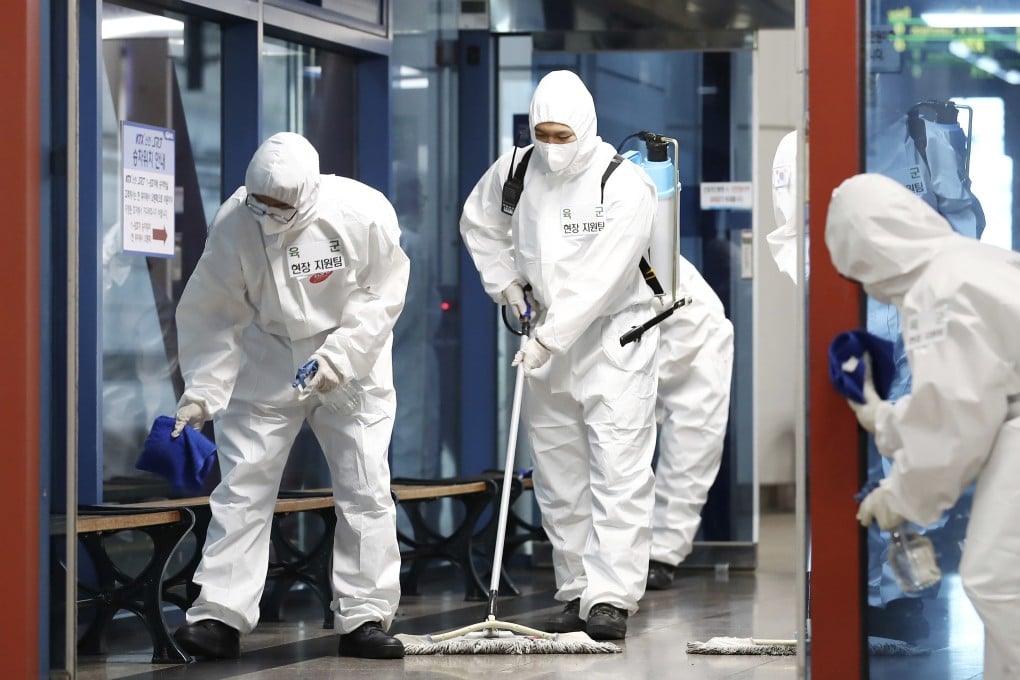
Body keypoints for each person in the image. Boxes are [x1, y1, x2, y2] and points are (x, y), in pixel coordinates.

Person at [169, 132, 410, 660]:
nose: (269, 214)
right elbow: (214, 308)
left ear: (308, 190)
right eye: (261, 203)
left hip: (351, 358)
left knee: (364, 486)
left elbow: (381, 296)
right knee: (242, 485)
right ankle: (219, 615)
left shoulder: (360, 212)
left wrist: (339, 360)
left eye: (281, 204)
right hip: (269, 355)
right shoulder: (236, 222)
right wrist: (203, 392)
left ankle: (365, 616)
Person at [459, 70, 659, 640]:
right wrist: (507, 287)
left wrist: (550, 337)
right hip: (543, 335)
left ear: (587, 127)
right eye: (541, 132)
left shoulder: (622, 183)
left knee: (618, 469)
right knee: (557, 471)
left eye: (561, 134)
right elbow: (479, 223)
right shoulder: (516, 169)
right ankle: (575, 590)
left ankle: (611, 598)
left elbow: (602, 276)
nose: (551, 145)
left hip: (614, 340)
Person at [826, 172, 1020, 680]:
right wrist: (884, 419)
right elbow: (970, 392)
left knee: (997, 578)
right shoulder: (968, 263)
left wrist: (903, 498)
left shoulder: (938, 291)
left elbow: (958, 419)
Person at [646, 256, 734, 590]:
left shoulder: (650, 252)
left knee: (690, 449)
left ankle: (662, 556)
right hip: (639, 341)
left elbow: (686, 332)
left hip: (696, 334)